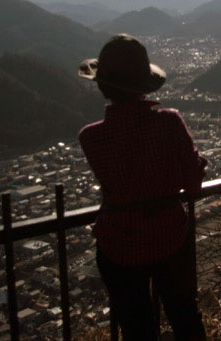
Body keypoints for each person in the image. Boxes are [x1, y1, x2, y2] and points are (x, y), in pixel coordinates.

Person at [77, 34, 207, 341]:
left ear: (102, 85)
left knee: (136, 328)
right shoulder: (169, 122)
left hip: (118, 242)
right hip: (169, 236)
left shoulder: (90, 137)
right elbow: (193, 181)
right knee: (185, 316)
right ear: (143, 84)